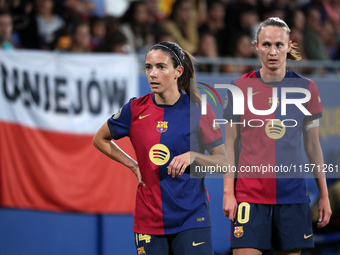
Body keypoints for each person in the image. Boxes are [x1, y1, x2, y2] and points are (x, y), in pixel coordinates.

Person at [93, 41, 228, 255]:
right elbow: (100, 139)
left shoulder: (199, 110)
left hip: (192, 217)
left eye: (160, 67)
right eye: (148, 67)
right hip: (149, 221)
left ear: (178, 71)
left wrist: (194, 157)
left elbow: (223, 162)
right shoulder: (134, 110)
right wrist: (133, 165)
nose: (152, 74)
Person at [223, 17, 332, 255]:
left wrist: (324, 195)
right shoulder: (239, 88)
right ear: (256, 46)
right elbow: (229, 145)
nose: (272, 52)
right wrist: (228, 192)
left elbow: (313, 147)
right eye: (266, 44)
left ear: (289, 45)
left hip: (292, 196)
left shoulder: (307, 88)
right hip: (249, 196)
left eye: (279, 45)